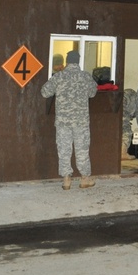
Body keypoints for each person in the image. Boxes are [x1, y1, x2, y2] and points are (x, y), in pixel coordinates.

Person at [40, 49, 97, 190]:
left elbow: (44, 92)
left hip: (63, 122)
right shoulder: (85, 77)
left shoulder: (59, 77)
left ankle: (66, 180)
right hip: (81, 122)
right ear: (78, 61)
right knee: (82, 149)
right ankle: (84, 179)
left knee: (64, 150)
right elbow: (93, 93)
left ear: (67, 62)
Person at [121, 88, 138, 157]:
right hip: (123, 113)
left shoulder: (129, 93)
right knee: (127, 132)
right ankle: (123, 154)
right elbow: (132, 112)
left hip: (114, 112)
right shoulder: (136, 99)